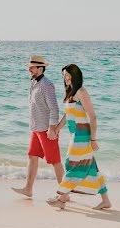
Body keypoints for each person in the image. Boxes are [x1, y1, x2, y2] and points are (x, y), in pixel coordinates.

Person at [48, 64, 111, 210]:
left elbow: (93, 116)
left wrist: (93, 139)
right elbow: (68, 114)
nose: (66, 78)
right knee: (92, 167)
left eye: (68, 75)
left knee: (71, 163)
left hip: (82, 135)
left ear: (75, 76)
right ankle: (106, 200)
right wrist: (57, 128)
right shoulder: (71, 92)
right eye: (64, 76)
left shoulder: (81, 92)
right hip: (74, 134)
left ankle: (62, 198)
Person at [12, 54, 63, 197]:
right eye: (29, 67)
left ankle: (64, 193)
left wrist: (52, 128)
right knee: (32, 155)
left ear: (41, 69)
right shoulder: (34, 82)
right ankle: (28, 189)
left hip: (46, 129)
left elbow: (54, 108)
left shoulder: (47, 85)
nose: (29, 70)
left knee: (54, 161)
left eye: (32, 68)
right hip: (35, 128)